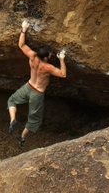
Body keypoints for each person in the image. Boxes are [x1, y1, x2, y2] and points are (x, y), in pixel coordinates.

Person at [7, 19, 67, 149]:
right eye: (50, 54)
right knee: (34, 119)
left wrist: (24, 29)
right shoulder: (48, 67)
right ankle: (22, 137)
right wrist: (61, 59)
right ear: (45, 57)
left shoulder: (32, 56)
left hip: (28, 86)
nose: (51, 54)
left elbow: (21, 45)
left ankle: (12, 120)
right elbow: (63, 74)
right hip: (37, 93)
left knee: (12, 100)